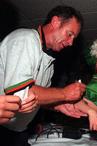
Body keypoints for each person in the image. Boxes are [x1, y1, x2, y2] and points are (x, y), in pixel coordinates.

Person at [0, 5, 86, 146]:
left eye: (73, 38)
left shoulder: (49, 62)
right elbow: (22, 95)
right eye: (69, 34)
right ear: (55, 22)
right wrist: (64, 94)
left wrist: (57, 105)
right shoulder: (25, 38)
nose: (71, 43)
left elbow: (37, 98)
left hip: (19, 131)